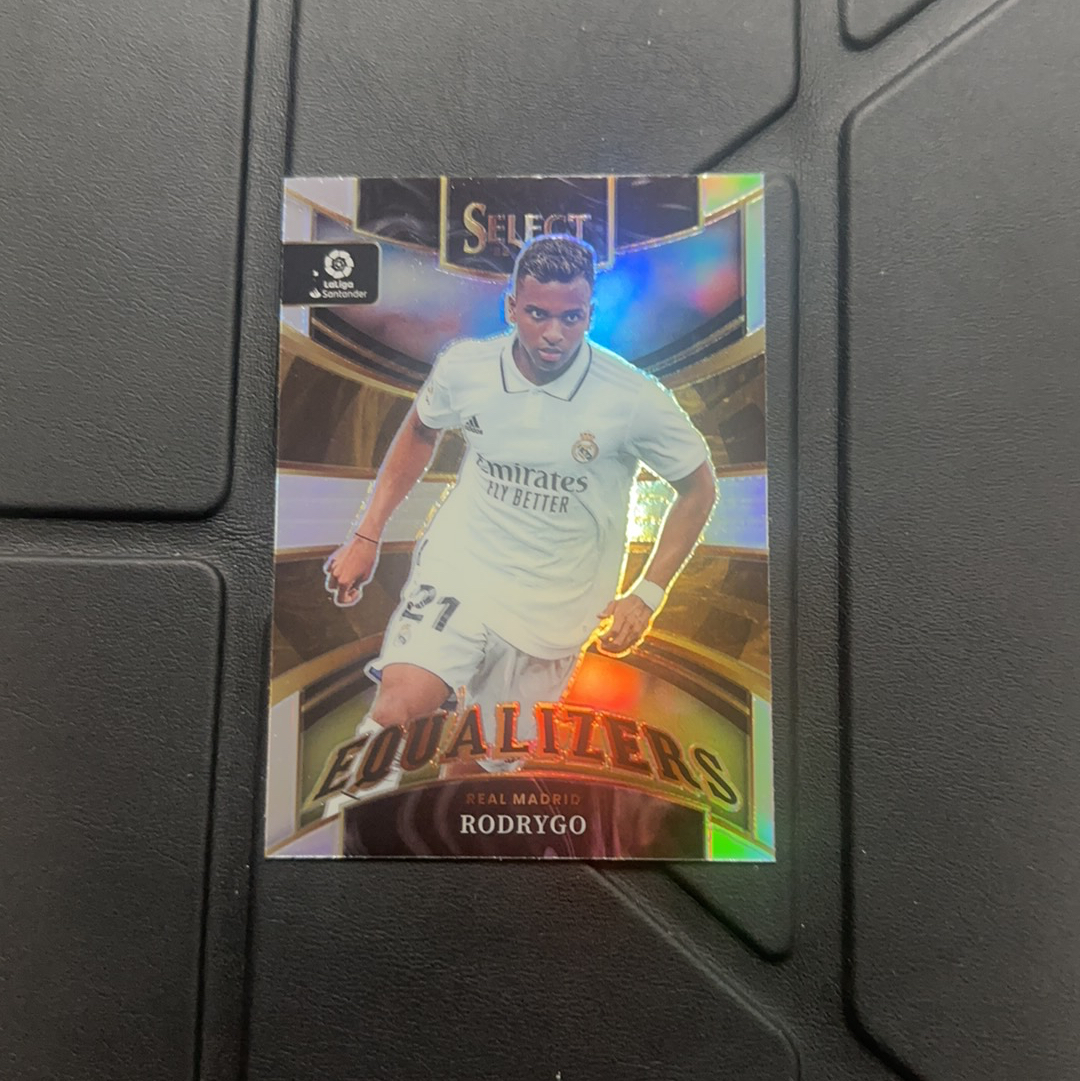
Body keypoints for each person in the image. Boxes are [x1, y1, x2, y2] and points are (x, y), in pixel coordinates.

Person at [324, 234, 717, 774]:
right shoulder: (466, 367)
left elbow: (699, 488)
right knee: (395, 709)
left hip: (557, 607)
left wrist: (647, 594)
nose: (554, 333)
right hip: (463, 569)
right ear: (511, 307)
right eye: (537, 314)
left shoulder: (634, 398)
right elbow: (420, 429)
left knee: (478, 765)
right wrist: (366, 534)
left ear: (590, 314)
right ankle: (342, 810)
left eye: (571, 317)